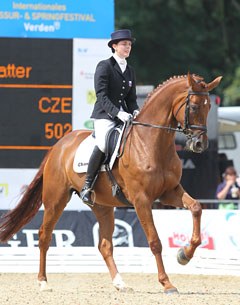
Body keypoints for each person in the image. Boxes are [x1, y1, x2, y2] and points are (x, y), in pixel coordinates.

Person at [80, 29, 140, 207]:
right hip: (105, 115)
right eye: (124, 44)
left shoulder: (130, 71)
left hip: (124, 116)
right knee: (104, 144)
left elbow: (131, 99)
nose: (127, 47)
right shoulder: (104, 66)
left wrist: (135, 111)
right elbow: (101, 96)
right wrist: (118, 113)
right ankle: (87, 185)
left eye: (129, 45)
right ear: (114, 46)